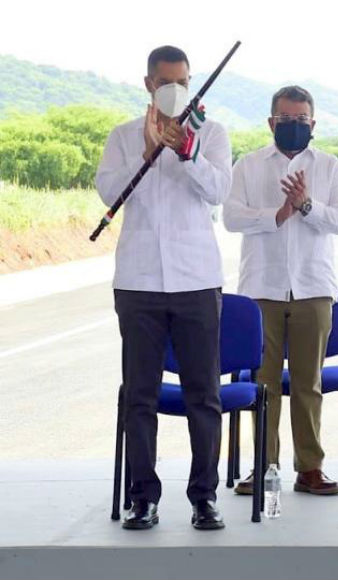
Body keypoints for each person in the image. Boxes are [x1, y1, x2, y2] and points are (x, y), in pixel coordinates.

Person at [95, 45, 232, 530]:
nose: (177, 89)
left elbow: (218, 191)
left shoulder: (211, 134)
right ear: (150, 83)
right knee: (140, 394)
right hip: (139, 281)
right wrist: (150, 152)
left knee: (203, 395)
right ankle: (143, 497)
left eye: (185, 81)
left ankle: (204, 497)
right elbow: (110, 191)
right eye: (168, 81)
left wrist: (186, 152)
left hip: (197, 280)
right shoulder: (122, 136)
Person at [223, 85, 338, 496]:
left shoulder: (330, 167)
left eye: (301, 121)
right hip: (261, 288)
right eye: (285, 120)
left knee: (307, 383)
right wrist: (276, 214)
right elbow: (231, 217)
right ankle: (264, 468)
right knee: (262, 384)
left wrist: (307, 206)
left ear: (313, 125)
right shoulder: (248, 165)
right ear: (271, 123)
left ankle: (310, 468)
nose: (293, 127)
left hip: (313, 288)